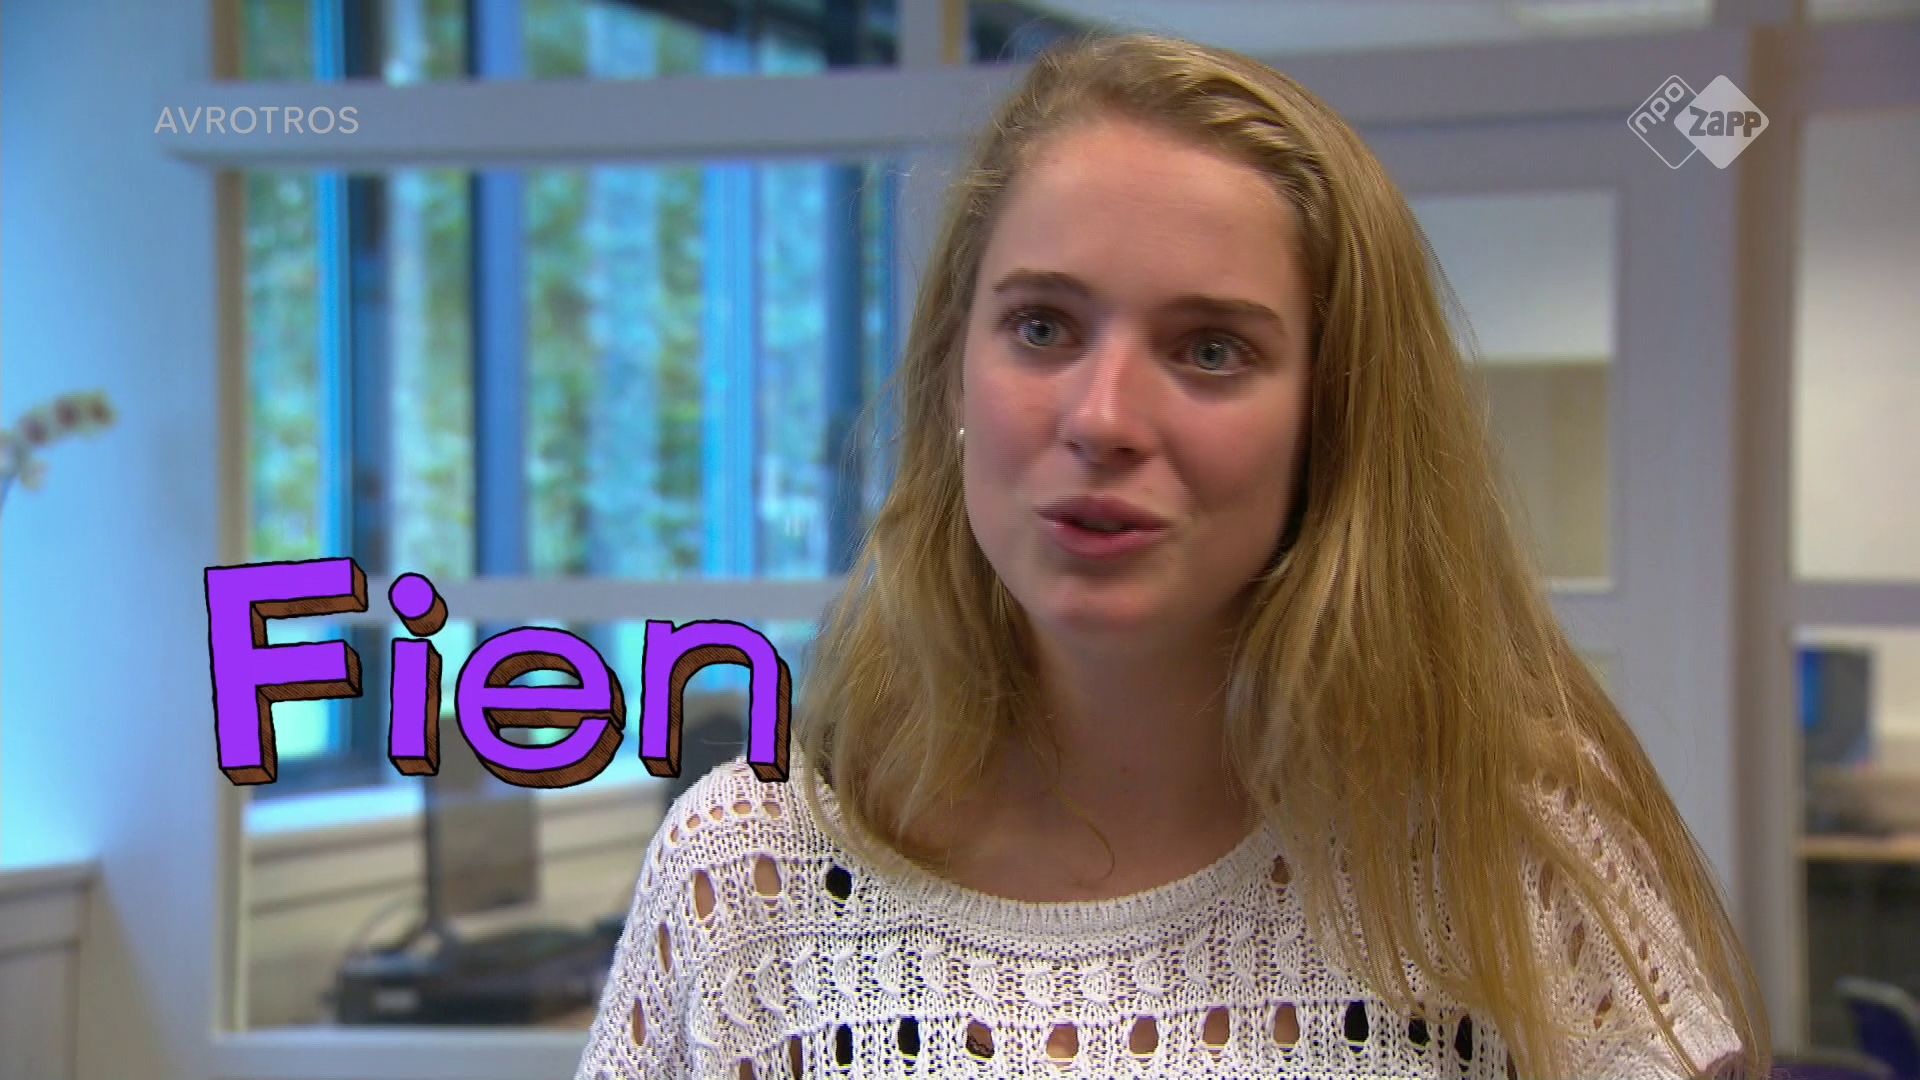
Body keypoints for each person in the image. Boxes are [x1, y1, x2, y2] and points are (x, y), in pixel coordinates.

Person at [573, 31, 1771, 1079]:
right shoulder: (751, 874)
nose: (1102, 418)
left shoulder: (1507, 845)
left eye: (1209, 350)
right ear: (952, 374)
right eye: (1042, 326)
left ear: (1333, 421)